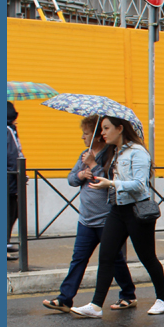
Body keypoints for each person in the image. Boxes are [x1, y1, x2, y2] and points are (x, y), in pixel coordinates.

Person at [70, 116, 164, 318]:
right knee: (106, 256)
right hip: (117, 210)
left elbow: (140, 185)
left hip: (136, 211)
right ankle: (96, 306)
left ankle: (162, 300)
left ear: (120, 128)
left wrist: (112, 184)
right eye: (102, 129)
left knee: (147, 257)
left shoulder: (138, 153)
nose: (103, 133)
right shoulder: (116, 152)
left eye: (107, 128)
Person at [42, 116, 137, 312]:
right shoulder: (85, 154)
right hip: (85, 219)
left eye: (86, 133)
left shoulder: (112, 155)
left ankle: (128, 294)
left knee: (114, 259)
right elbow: (71, 179)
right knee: (78, 258)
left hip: (107, 219)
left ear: (98, 135)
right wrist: (80, 175)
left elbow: (110, 183)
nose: (83, 137)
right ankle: (65, 298)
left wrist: (93, 166)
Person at [7, 101, 23, 260]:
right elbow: (12, 157)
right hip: (9, 182)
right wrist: (19, 174)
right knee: (10, 213)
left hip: (9, 181)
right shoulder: (7, 130)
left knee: (12, 213)